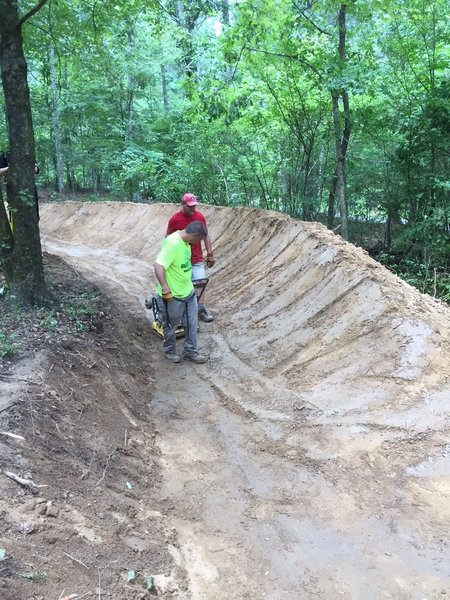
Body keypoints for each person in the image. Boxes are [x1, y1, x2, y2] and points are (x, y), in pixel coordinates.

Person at [154, 220, 209, 364]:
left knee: (191, 323)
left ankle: (191, 351)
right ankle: (170, 350)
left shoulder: (186, 243)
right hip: (173, 296)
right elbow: (159, 265)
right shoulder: (172, 243)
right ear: (194, 235)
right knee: (171, 325)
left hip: (188, 292)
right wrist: (165, 288)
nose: (199, 243)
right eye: (199, 240)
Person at [166, 192, 215, 322]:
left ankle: (200, 309)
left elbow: (206, 236)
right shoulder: (175, 219)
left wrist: (210, 254)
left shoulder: (199, 217)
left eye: (194, 206)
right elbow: (168, 239)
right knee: (181, 285)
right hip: (180, 259)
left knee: (200, 282)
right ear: (183, 204)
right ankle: (182, 312)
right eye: (189, 206)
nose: (192, 209)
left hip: (196, 257)